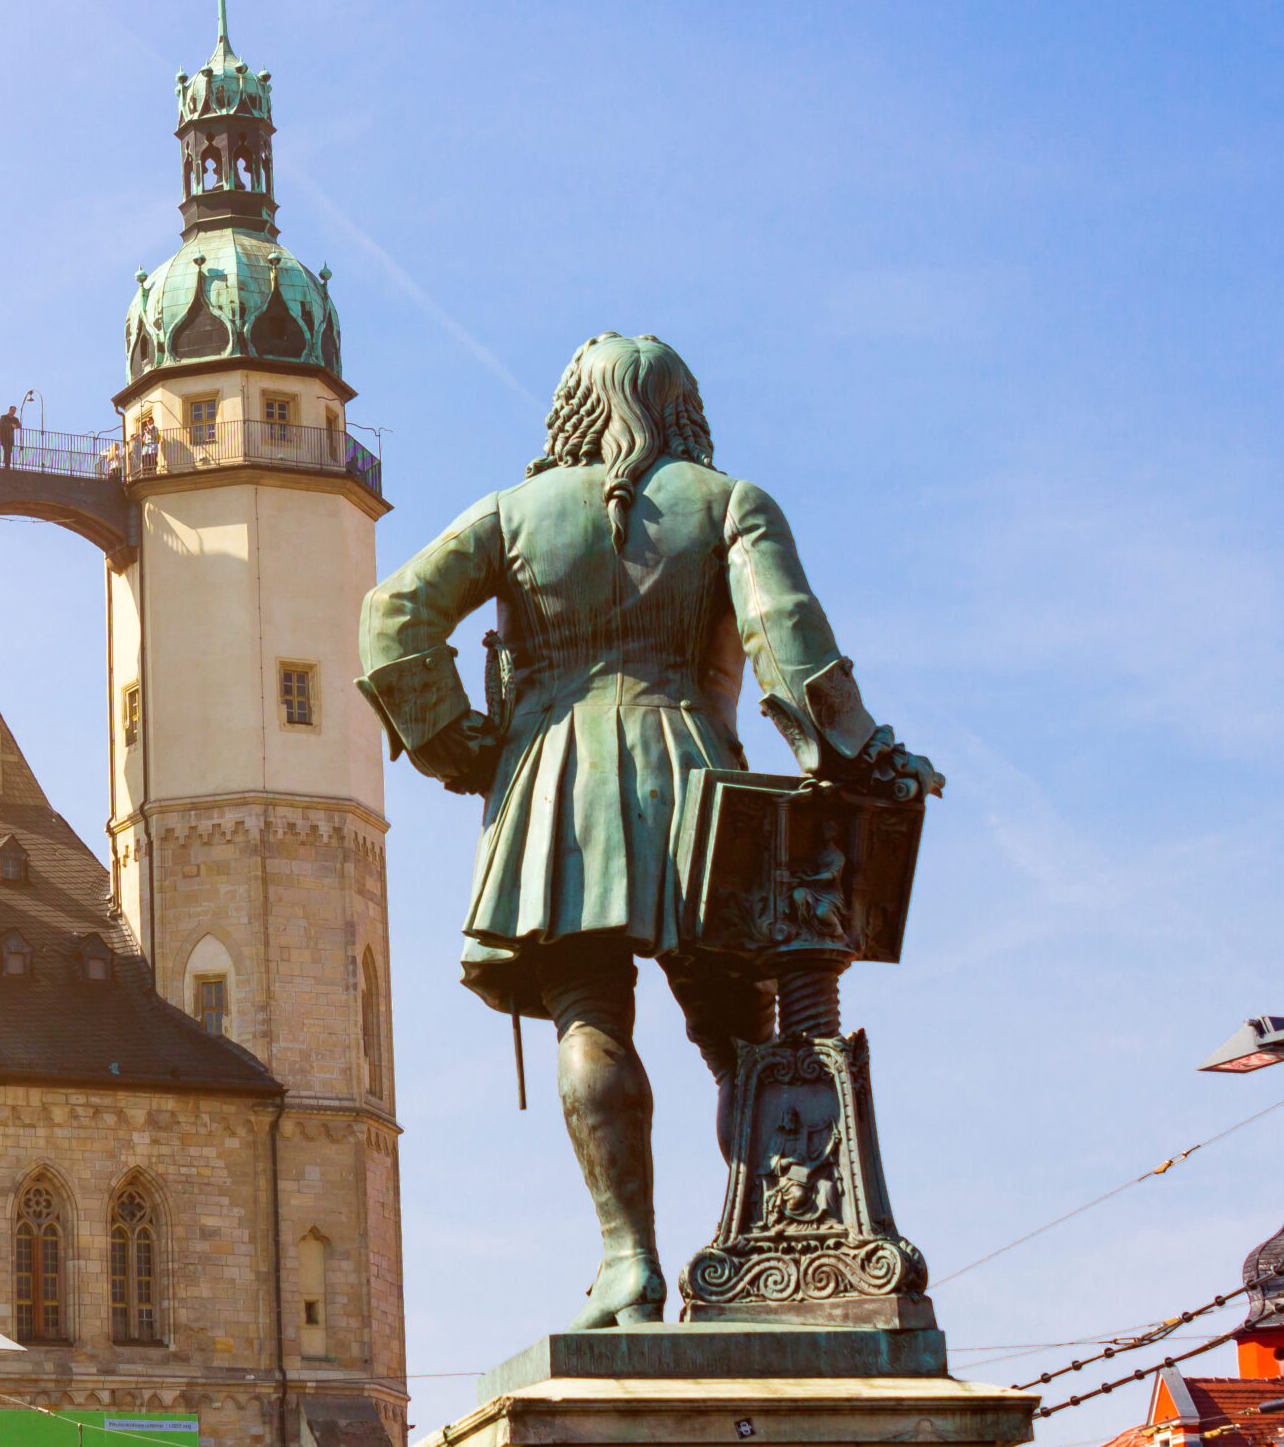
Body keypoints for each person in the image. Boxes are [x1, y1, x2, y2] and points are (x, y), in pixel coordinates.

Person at [356, 333, 938, 1331]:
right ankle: (779, 1262)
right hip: (698, 786)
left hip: (555, 792)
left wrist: (465, 750)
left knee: (590, 1017)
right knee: (737, 1038)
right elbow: (788, 645)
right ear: (682, 409)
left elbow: (391, 619)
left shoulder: (511, 513)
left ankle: (627, 1266)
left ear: (568, 413)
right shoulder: (727, 503)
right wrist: (863, 753)